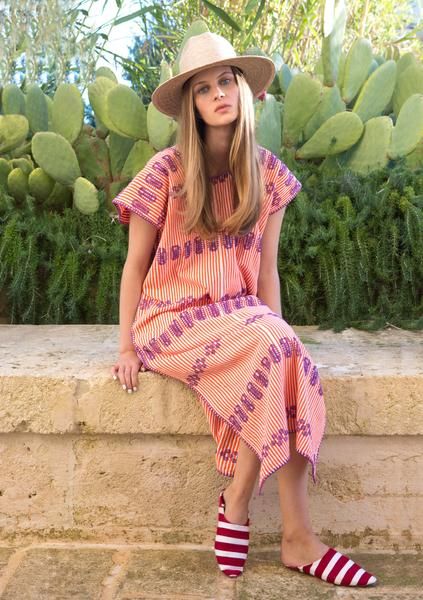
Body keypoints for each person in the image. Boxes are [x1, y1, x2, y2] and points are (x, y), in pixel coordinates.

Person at [110, 29, 378, 588]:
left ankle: (259, 514)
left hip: (240, 317)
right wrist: (126, 346)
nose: (218, 94)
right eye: (203, 88)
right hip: (169, 321)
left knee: (285, 352)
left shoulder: (269, 174)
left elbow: (267, 271)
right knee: (274, 344)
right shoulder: (164, 172)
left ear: (242, 90)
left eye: (225, 81)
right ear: (191, 105)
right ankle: (280, 528)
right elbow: (135, 267)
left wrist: (278, 332)